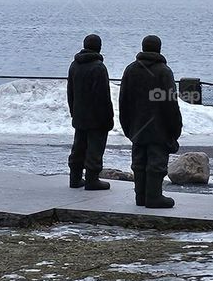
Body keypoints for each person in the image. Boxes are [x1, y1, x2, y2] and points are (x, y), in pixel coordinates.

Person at [118, 33, 183, 209]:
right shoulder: (163, 71)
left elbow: (123, 101)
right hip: (158, 128)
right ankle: (153, 197)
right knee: (156, 163)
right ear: (159, 48)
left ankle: (141, 196)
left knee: (138, 162)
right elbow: (170, 104)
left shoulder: (130, 70)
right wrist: (174, 129)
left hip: (137, 127)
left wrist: (128, 127)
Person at [66, 33, 114, 191]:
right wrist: (108, 117)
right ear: (99, 47)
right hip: (96, 116)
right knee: (95, 147)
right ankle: (92, 179)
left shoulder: (74, 65)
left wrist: (74, 111)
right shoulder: (98, 67)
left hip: (79, 114)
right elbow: (103, 96)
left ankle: (75, 178)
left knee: (79, 146)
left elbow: (70, 92)